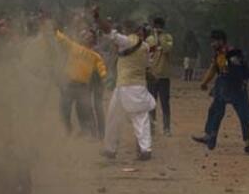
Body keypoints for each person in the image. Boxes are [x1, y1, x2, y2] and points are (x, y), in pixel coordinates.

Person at [194, 48, 249, 155]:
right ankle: (211, 137)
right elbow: (221, 73)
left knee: (244, 115)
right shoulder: (229, 60)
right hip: (231, 92)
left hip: (235, 93)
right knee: (223, 113)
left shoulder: (239, 61)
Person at [101, 20, 156, 161]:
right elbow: (147, 67)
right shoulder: (145, 47)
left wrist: (97, 18)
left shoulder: (127, 41)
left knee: (114, 118)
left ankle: (111, 149)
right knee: (140, 118)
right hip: (136, 87)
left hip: (124, 87)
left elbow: (110, 33)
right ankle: (145, 149)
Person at [55, 28, 108, 137]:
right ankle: (68, 128)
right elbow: (63, 39)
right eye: (85, 36)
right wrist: (55, 32)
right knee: (65, 108)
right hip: (69, 83)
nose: (87, 38)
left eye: (90, 37)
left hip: (83, 86)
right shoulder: (74, 47)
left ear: (93, 41)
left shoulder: (95, 55)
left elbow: (101, 66)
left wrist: (103, 74)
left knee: (84, 109)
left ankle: (88, 132)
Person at [146, 17, 174, 136]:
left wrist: (161, 37)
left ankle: (166, 128)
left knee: (164, 102)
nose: (157, 28)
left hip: (164, 76)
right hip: (152, 76)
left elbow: (167, 49)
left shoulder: (168, 38)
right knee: (151, 102)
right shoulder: (149, 40)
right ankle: (152, 127)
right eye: (155, 26)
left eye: (159, 26)